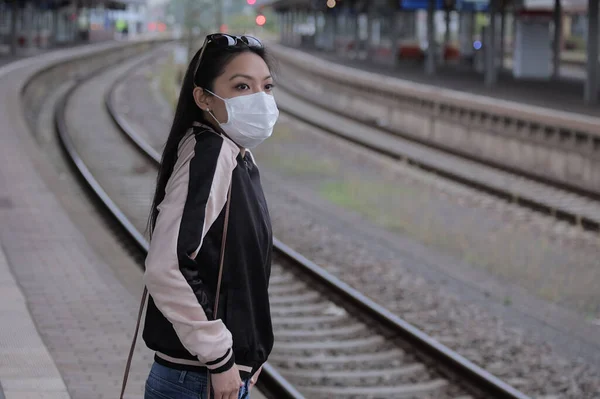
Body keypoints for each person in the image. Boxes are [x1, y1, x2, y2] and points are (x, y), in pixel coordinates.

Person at [142, 34, 278, 399]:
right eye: (241, 86)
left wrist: (252, 351)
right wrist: (220, 358)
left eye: (266, 87)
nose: (260, 100)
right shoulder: (211, 154)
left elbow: (237, 267)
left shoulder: (234, 153)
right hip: (197, 379)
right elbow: (166, 266)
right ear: (203, 97)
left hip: (208, 375)